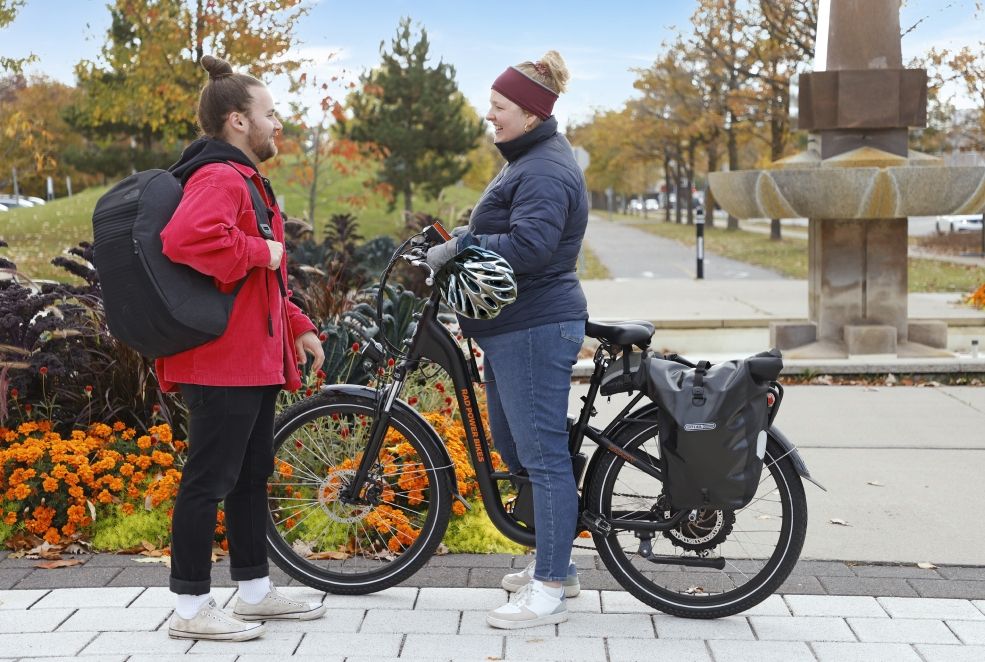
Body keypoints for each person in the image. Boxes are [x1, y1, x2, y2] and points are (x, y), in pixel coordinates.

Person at [158, 55, 327, 642]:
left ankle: (253, 591)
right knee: (208, 478)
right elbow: (185, 239)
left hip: (249, 358)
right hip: (218, 360)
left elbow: (263, 283)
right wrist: (263, 252)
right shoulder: (220, 177)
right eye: (269, 113)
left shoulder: (246, 178)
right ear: (237, 120)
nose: (276, 124)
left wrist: (299, 323)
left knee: (250, 474)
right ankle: (189, 608)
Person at [427, 50, 589, 630]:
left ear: (529, 112)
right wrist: (465, 236)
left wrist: (464, 248)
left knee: (542, 456)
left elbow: (531, 248)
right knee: (517, 448)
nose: (489, 114)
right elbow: (509, 230)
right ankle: (558, 565)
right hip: (511, 327)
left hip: (534, 325)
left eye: (498, 106)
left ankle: (549, 589)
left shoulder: (544, 167)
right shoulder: (528, 158)